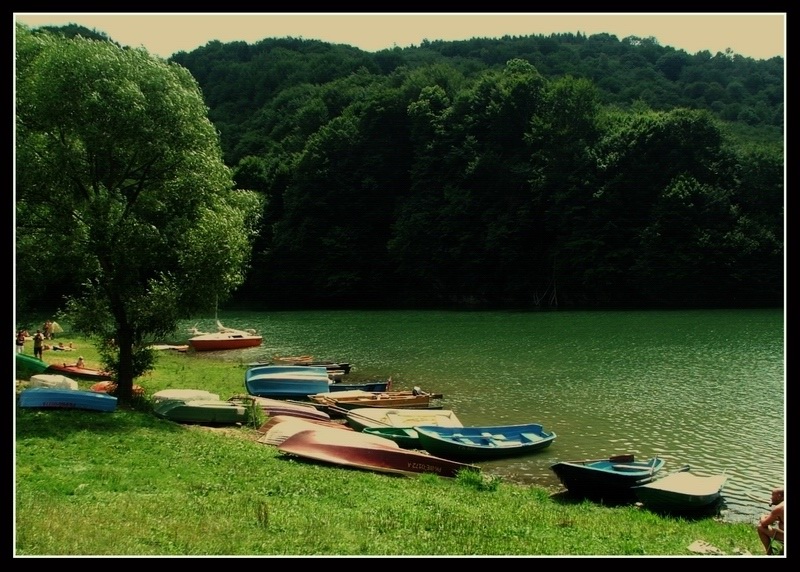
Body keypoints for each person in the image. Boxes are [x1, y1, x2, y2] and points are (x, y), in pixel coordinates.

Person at [757, 487, 784, 555]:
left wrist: (762, 516)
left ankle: (769, 553)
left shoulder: (779, 508)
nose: (771, 497)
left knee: (760, 527)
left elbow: (764, 524)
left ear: (779, 496)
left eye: (772, 495)